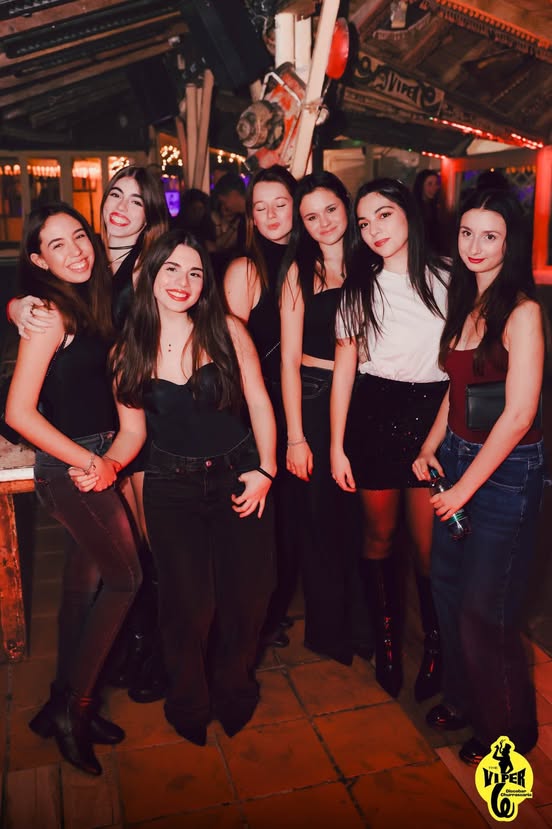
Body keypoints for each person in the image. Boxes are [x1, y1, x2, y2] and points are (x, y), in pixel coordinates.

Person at [8, 165, 171, 704]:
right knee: (119, 567)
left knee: (120, 561)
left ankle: (105, 676)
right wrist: (19, 305)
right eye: (115, 194)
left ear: (150, 216)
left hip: (134, 424)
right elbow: (23, 401)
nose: (121, 207)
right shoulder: (84, 267)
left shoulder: (147, 266)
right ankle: (80, 696)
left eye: (137, 201)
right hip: (87, 440)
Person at [111, 229, 277, 745]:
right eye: (171, 269)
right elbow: (132, 433)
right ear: (150, 276)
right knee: (187, 607)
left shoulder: (227, 330)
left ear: (205, 282)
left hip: (239, 479)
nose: (182, 281)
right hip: (171, 488)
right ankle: (187, 702)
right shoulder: (127, 350)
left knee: (246, 599)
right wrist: (106, 465)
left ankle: (235, 691)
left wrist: (266, 469)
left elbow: (258, 401)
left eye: (194, 272)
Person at [5, 203, 144, 775]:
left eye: (79, 236)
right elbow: (18, 411)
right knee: (127, 579)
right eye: (57, 245)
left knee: (83, 586)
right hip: (71, 468)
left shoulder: (93, 305)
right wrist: (93, 462)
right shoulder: (51, 314)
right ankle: (75, 710)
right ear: (39, 260)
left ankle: (60, 700)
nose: (76, 250)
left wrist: (108, 458)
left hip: (93, 458)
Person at [412, 188, 545, 765]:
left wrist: (465, 488)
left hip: (506, 473)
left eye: (490, 235)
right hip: (459, 458)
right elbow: (457, 386)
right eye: (467, 232)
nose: (475, 245)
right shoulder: (465, 300)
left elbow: (518, 415)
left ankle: (509, 732)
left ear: (510, 243)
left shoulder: (522, 312)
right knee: (446, 590)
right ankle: (465, 700)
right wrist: (431, 444)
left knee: (484, 613)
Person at [330, 178, 449, 700]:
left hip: (432, 417)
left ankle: (437, 648)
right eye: (364, 222)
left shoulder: (450, 278)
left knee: (428, 548)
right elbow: (345, 371)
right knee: (378, 536)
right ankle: (387, 646)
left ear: (408, 214)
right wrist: (336, 445)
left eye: (383, 215)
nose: (373, 229)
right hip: (373, 414)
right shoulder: (360, 289)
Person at [280, 171, 372, 666]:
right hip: (314, 399)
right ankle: (330, 631)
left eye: (330, 210)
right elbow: (288, 361)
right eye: (311, 216)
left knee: (363, 518)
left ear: (346, 205)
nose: (323, 223)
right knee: (320, 518)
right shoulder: (299, 272)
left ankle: (364, 627)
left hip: (370, 399)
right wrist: (295, 436)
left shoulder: (372, 262)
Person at [224, 164, 299, 650]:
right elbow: (230, 358)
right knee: (260, 522)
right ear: (250, 216)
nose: (271, 215)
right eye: (261, 207)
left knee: (288, 523)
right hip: (259, 409)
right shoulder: (246, 269)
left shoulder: (309, 260)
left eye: (281, 204)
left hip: (300, 403)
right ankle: (254, 622)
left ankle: (271, 612)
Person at [412, 169, 447, 255]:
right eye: (430, 184)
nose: (434, 187)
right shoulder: (414, 207)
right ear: (421, 186)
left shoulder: (435, 206)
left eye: (436, 184)